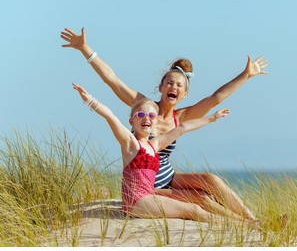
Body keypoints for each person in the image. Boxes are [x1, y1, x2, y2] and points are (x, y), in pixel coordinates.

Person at [61, 27, 269, 221]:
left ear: (184, 94)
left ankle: (252, 220)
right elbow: (112, 79)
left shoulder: (182, 116)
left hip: (169, 176)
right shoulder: (143, 108)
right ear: (160, 87)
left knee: (212, 181)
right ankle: (241, 225)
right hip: (146, 186)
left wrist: (246, 75)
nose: (174, 87)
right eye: (169, 82)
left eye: (179, 85)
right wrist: (85, 49)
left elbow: (216, 98)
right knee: (203, 200)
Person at [72, 82, 249, 223]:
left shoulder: (154, 145)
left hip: (150, 195)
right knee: (192, 210)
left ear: (155, 122)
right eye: (141, 115)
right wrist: (89, 100)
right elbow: (110, 116)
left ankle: (243, 221)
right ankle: (239, 225)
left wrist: (212, 118)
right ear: (132, 121)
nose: (146, 119)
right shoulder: (129, 143)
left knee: (199, 202)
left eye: (151, 116)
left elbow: (184, 128)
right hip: (136, 201)